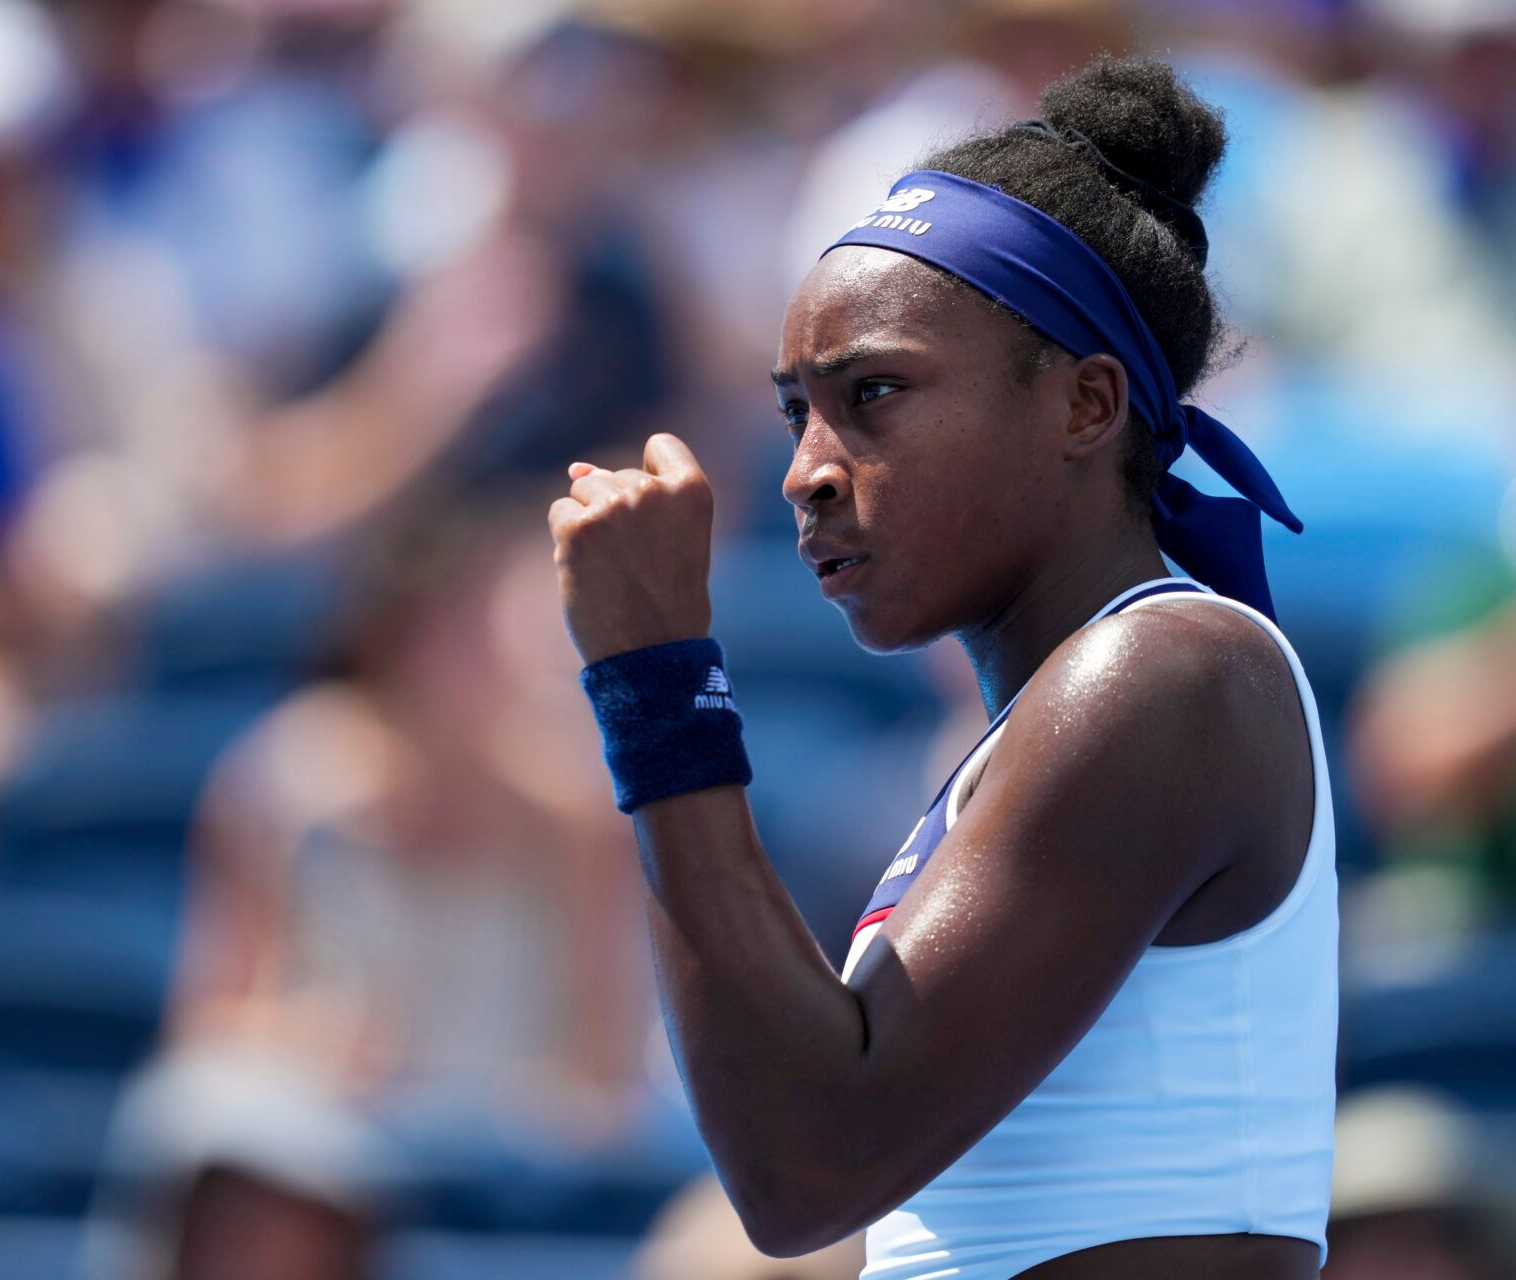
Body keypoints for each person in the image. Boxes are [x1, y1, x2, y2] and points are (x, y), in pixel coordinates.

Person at [549, 56, 1337, 1278]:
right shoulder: (1077, 707)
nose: (808, 468)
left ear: (1085, 405)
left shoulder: (1166, 668)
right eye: (795, 411)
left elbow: (803, 1164)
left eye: (874, 393)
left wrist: (657, 681)